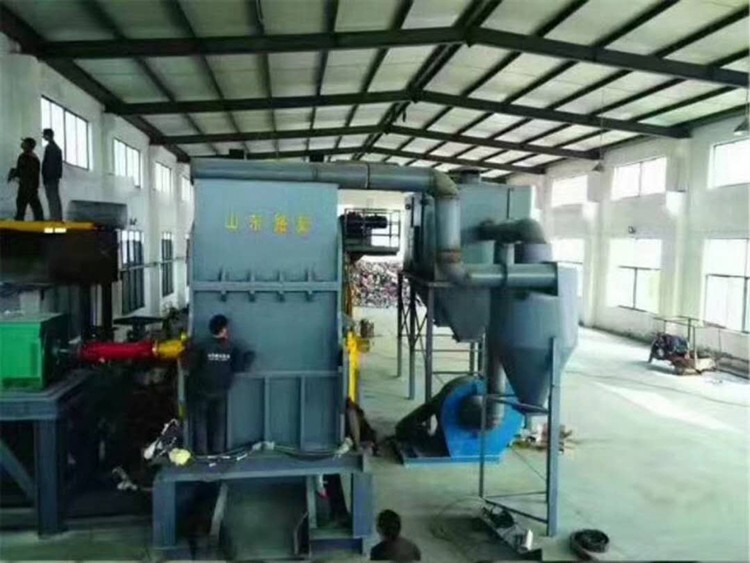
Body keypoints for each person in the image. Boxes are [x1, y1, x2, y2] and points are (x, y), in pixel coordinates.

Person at [185, 314, 250, 455]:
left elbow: (189, 365)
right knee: (219, 422)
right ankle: (217, 451)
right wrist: (249, 357)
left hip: (200, 390)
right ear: (224, 329)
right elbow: (239, 367)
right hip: (221, 390)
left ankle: (201, 451)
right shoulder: (232, 347)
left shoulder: (201, 346)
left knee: (200, 421)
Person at [7, 137, 43, 221]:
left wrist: (14, 173)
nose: (22, 144)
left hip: (26, 187)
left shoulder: (26, 157)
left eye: (24, 143)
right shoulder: (32, 157)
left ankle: (20, 224)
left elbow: (24, 171)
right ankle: (39, 224)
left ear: (28, 145)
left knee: (23, 207)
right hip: (30, 187)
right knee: (35, 208)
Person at [42, 128, 63, 221]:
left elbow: (49, 164)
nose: (43, 137)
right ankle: (56, 217)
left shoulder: (50, 148)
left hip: (50, 177)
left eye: (44, 135)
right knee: (54, 197)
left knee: (52, 197)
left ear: (47, 135)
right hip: (54, 177)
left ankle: (55, 217)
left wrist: (46, 177)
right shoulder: (56, 148)